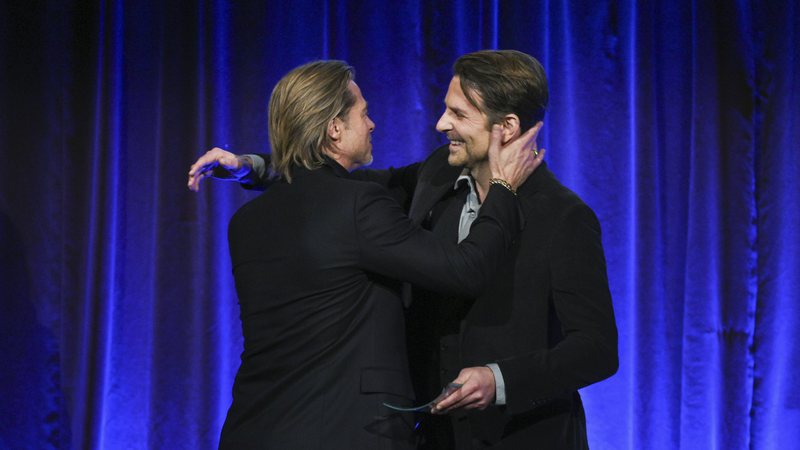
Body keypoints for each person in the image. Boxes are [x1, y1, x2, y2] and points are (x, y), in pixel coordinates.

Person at [190, 50, 618, 449]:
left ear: (505, 127)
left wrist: (500, 379)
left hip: (521, 437)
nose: (440, 124)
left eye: (457, 113)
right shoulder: (433, 179)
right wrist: (253, 165)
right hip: (432, 437)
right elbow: (330, 189)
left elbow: (597, 349)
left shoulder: (563, 218)